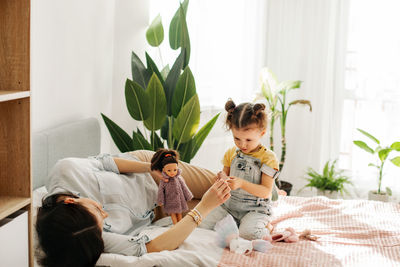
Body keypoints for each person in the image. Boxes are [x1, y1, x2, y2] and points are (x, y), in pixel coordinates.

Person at [35, 151, 231, 267]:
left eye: (97, 209)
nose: (105, 214)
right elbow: (153, 246)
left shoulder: (66, 170)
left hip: (150, 172)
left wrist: (153, 168)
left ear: (71, 201)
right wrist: (204, 207)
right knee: (225, 203)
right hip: (157, 208)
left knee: (230, 185)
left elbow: (108, 163)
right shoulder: (87, 236)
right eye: (103, 221)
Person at [199, 99, 280, 241]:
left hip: (255, 209)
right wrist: (221, 178)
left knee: (248, 235)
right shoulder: (231, 153)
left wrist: (242, 183)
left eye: (248, 140)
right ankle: (236, 223)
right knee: (201, 222)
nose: (242, 144)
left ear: (262, 133)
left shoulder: (268, 158)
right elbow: (226, 175)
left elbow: (266, 192)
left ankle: (267, 226)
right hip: (229, 206)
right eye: (237, 138)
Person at [151, 149, 193, 225]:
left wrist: (188, 195)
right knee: (173, 214)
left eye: (175, 170)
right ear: (164, 170)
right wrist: (160, 200)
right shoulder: (164, 181)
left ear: (177, 168)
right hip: (170, 200)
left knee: (179, 213)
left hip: (179, 200)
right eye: (169, 170)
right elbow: (161, 191)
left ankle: (180, 225)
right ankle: (175, 226)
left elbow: (184, 187)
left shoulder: (179, 178)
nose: (172, 173)